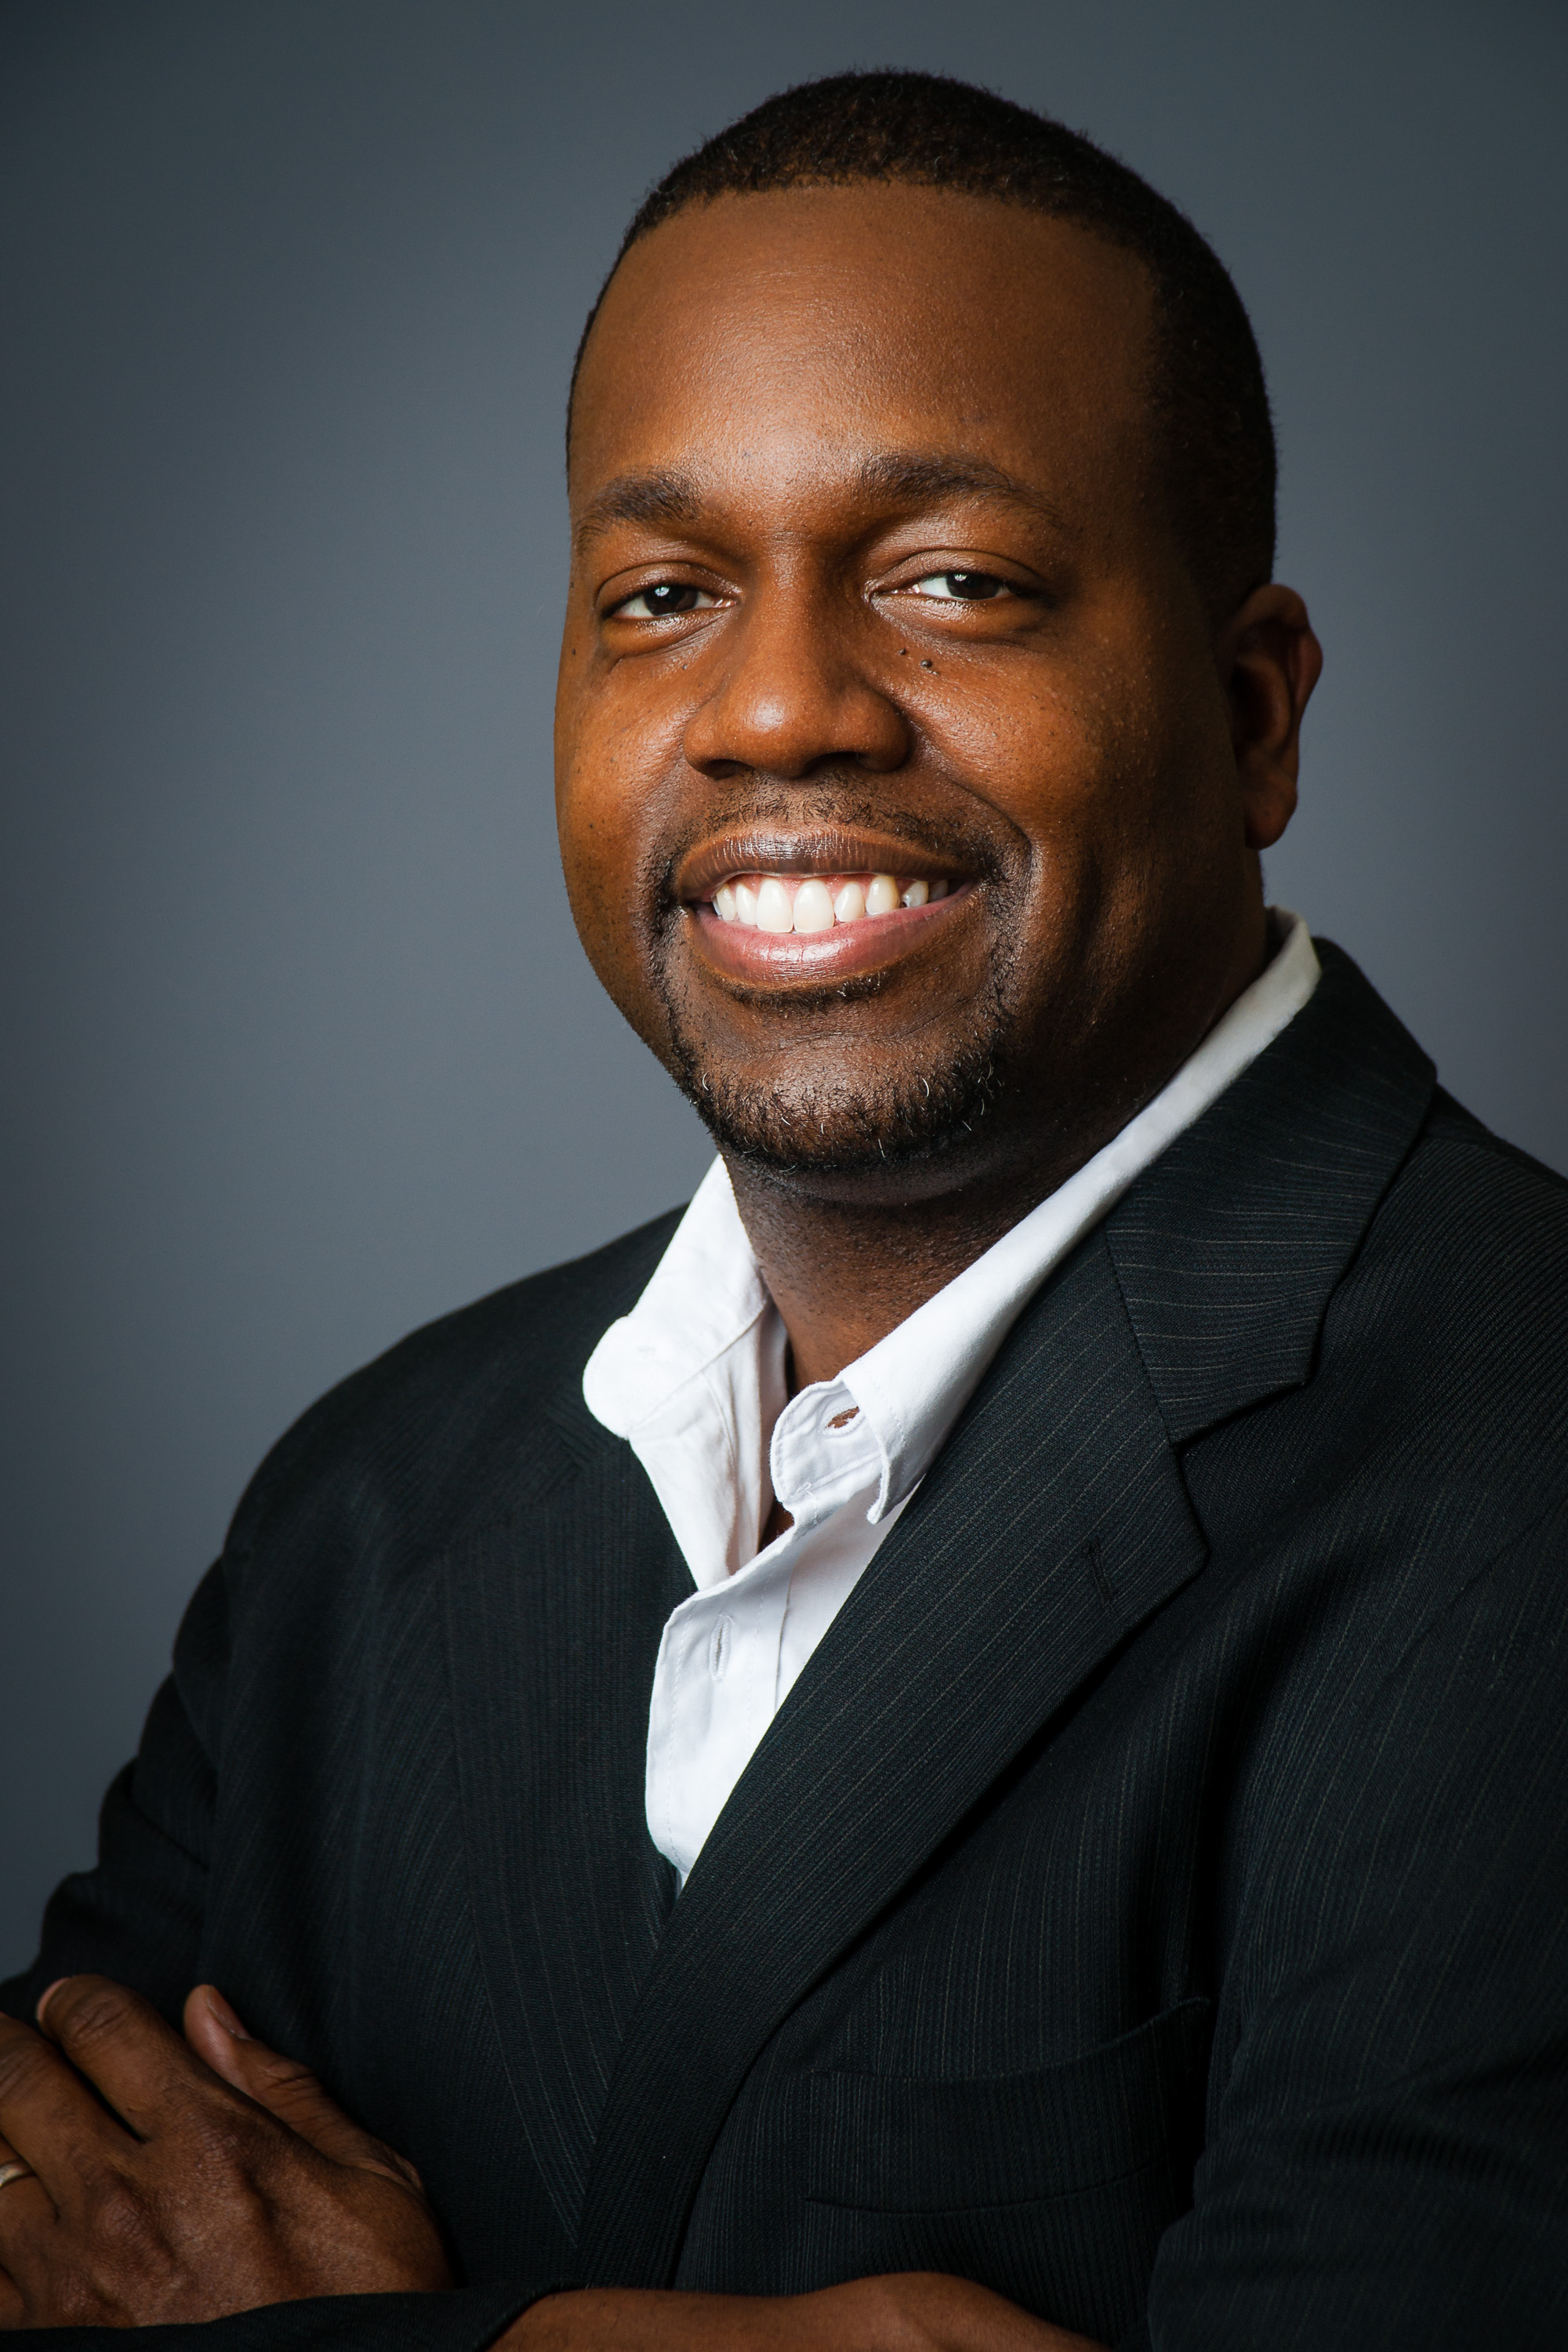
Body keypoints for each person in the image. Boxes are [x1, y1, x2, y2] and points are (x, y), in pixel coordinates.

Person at [2, 67, 1565, 2351]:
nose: (774, 710)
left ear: (1253, 719)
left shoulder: (1522, 1470)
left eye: (954, 583)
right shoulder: (363, 1509)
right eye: (662, 595)